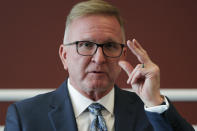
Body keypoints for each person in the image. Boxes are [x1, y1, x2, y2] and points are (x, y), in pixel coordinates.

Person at [4, 0, 194, 131]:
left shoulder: (151, 112)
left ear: (123, 55)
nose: (99, 58)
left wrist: (154, 103)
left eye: (110, 46)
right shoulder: (25, 118)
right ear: (64, 55)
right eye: (86, 45)